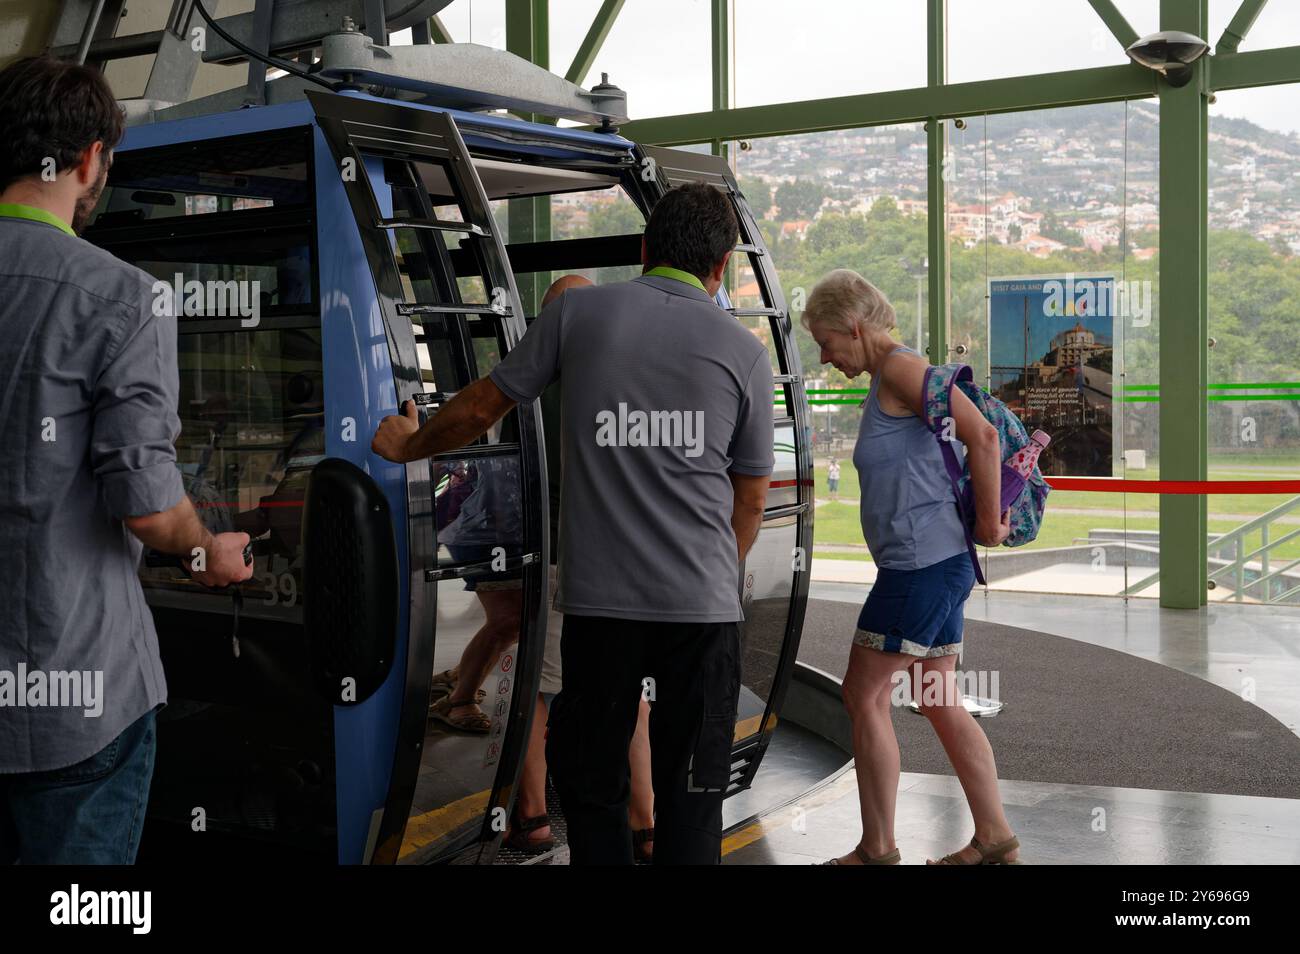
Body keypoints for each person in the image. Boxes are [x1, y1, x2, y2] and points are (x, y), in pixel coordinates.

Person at [373, 182, 773, 864]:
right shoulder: (745, 352)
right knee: (694, 797)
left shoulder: (577, 314)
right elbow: (752, 498)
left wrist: (407, 445)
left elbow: (479, 408)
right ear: (723, 265)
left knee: (593, 792)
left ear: (646, 250)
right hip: (701, 616)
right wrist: (710, 574)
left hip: (599, 612)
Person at [0, 56, 253, 864]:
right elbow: (145, 505)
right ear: (88, 161)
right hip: (72, 702)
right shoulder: (121, 296)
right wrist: (205, 549)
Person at [801, 268, 1020, 866]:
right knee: (937, 693)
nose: (824, 358)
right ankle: (995, 837)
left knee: (862, 695)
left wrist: (986, 523)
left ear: (854, 326)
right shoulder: (891, 376)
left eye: (826, 342)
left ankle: (877, 847)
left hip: (919, 568)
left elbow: (984, 439)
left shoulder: (899, 368)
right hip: (936, 565)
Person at [503, 276, 656, 861]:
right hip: (623, 563)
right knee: (630, 695)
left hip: (557, 559)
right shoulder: (627, 381)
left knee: (541, 695)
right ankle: (647, 825)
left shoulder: (527, 386)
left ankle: (535, 817)